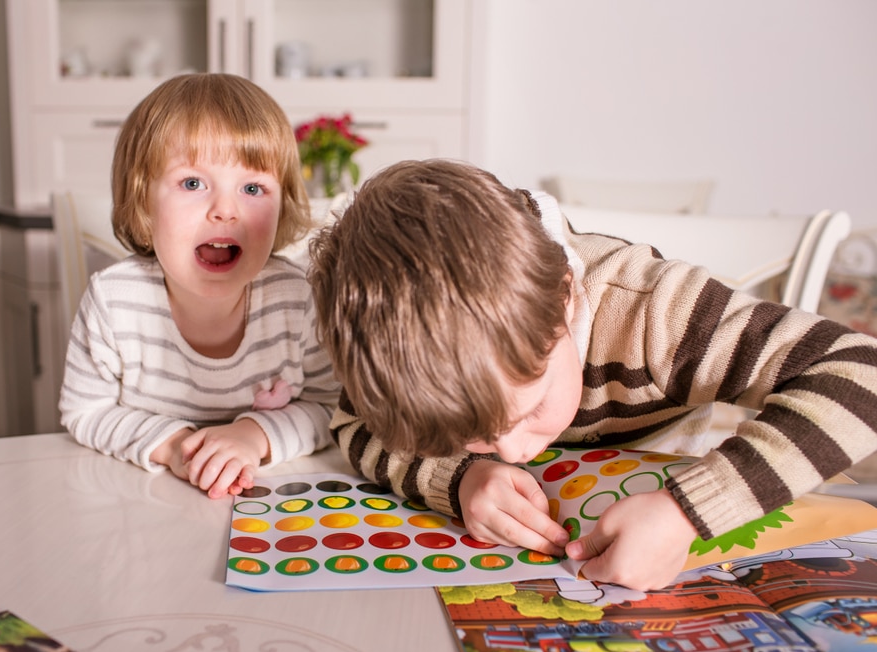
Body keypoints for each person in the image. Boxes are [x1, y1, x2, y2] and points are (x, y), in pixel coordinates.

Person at [307, 158, 877, 590]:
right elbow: (354, 423)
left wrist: (686, 512)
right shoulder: (399, 351)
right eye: (475, 436)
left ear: (566, 299)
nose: (512, 452)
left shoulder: (652, 310)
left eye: (530, 410)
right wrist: (455, 477)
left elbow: (860, 371)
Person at [60, 73, 340, 499]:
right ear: (142, 200)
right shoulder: (114, 300)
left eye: (252, 188)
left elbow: (330, 406)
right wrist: (176, 447)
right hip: (143, 508)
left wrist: (253, 435)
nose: (225, 210)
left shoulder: (298, 298)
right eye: (192, 183)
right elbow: (85, 410)